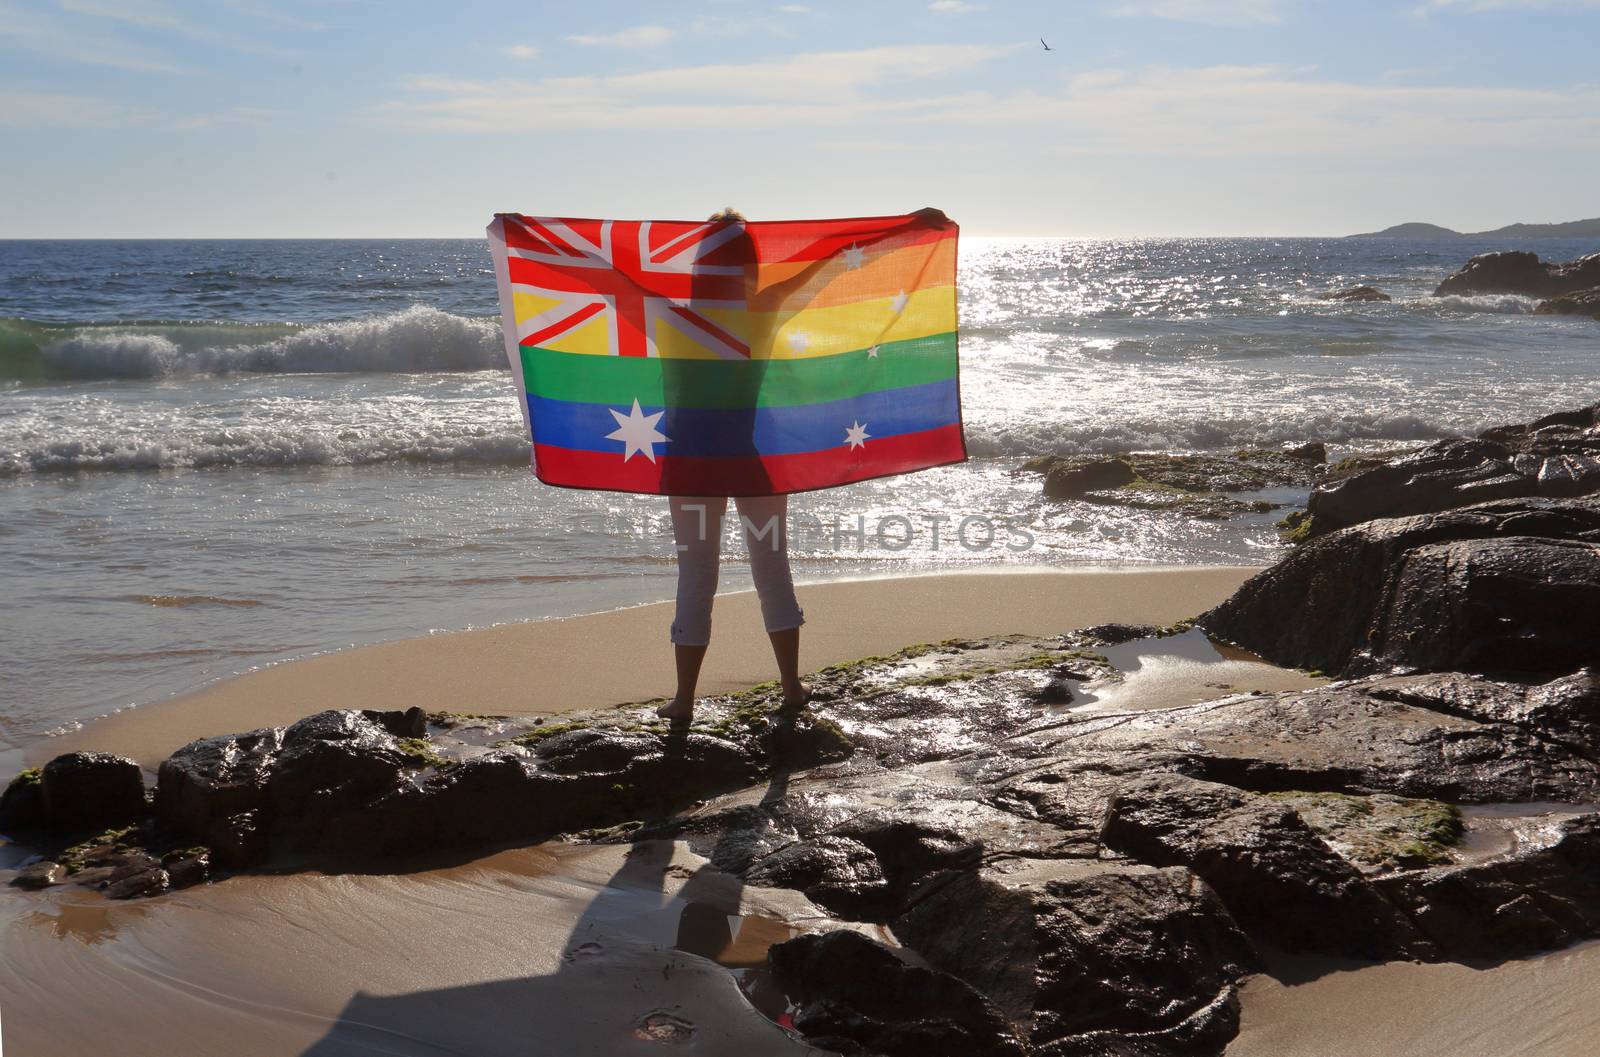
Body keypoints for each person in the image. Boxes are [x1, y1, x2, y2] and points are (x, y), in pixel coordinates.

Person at [656, 208, 809, 722]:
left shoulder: (670, 316)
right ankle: (791, 688)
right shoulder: (762, 310)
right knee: (772, 567)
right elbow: (823, 270)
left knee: (696, 576)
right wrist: (900, 232)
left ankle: (683, 701)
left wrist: (531, 236)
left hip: (693, 469)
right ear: (751, 265)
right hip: (750, 463)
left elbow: (604, 280)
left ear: (700, 264)